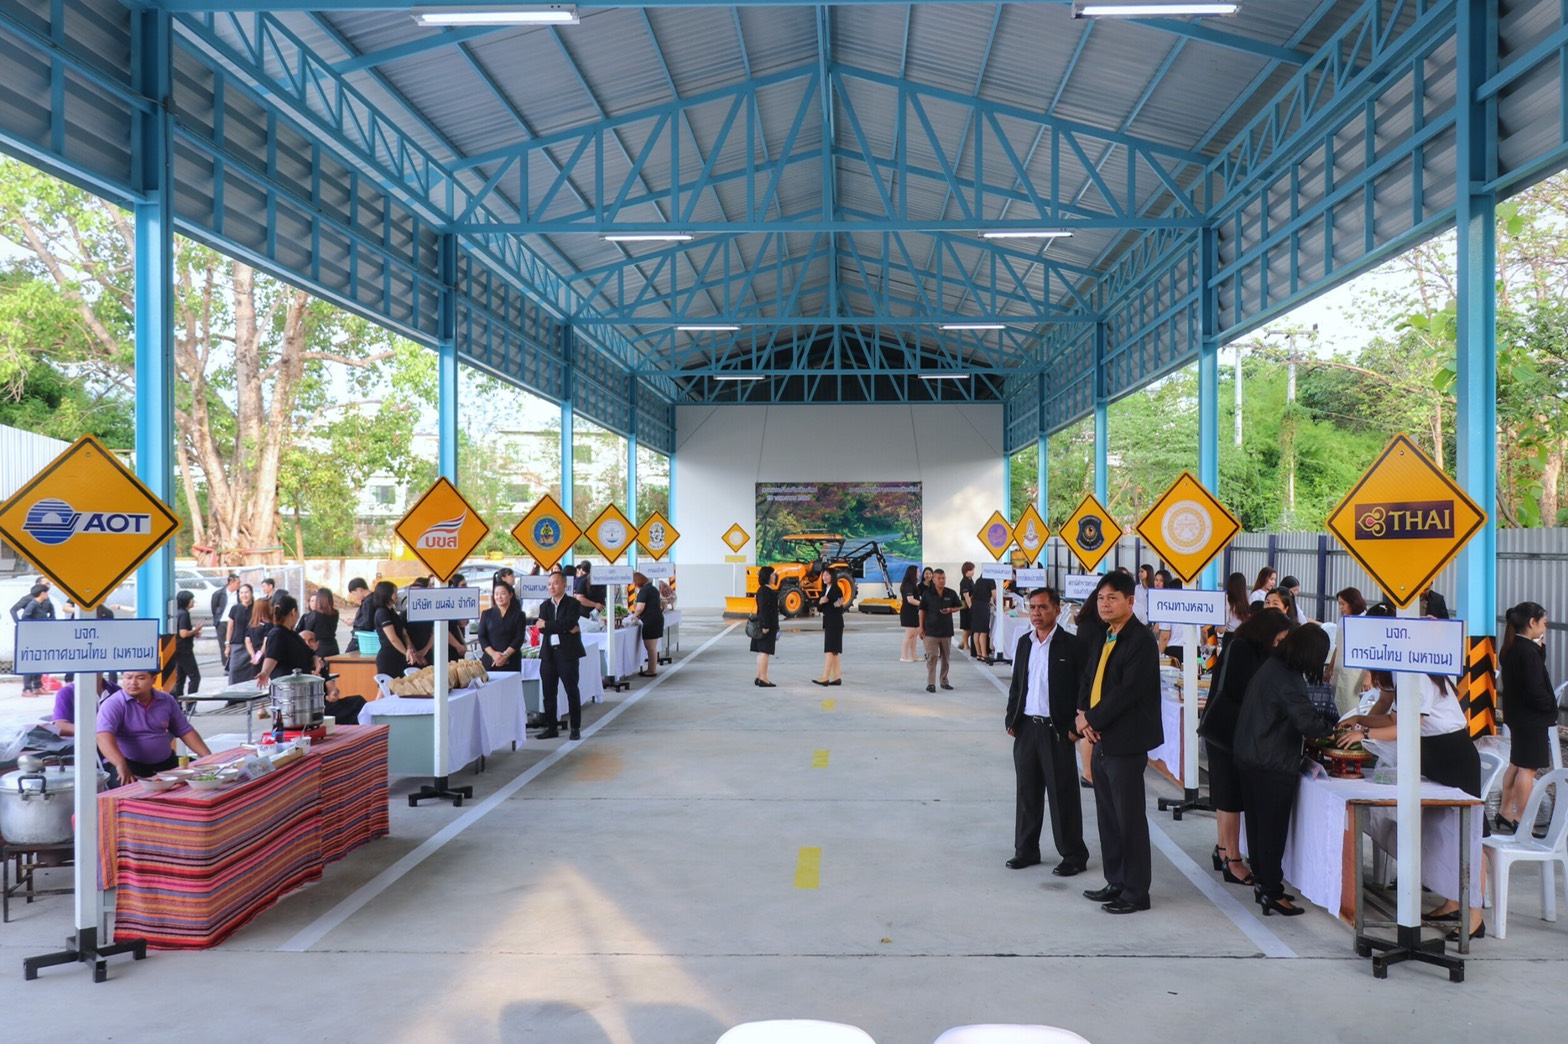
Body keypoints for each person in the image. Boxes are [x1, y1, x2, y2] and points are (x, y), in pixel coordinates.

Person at [1339, 672, 1487, 939]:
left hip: (1453, 755)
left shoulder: (1417, 674)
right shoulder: (1402, 673)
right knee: (1441, 831)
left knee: (1468, 833)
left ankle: (1474, 916)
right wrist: (1361, 719)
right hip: (1433, 754)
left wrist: (1365, 732)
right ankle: (1453, 901)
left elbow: (1408, 726)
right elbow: (1394, 720)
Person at [1074, 571, 1162, 914]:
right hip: (1100, 738)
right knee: (1108, 817)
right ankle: (1116, 880)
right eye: (1100, 598)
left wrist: (1092, 719)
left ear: (1130, 601)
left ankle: (1136, 892)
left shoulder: (1140, 640)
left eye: (1112, 598)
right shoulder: (1106, 634)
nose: (1105, 604)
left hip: (1125, 741)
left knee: (1129, 820)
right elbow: (1090, 677)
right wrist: (1083, 714)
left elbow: (1127, 692)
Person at [1232, 626, 1335, 916]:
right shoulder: (1288, 678)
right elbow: (1307, 722)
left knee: (1257, 826)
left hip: (1250, 756)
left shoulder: (1272, 666)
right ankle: (1272, 892)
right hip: (1271, 762)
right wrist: (1332, 730)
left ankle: (1263, 883)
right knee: (1272, 831)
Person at [1198, 607, 1294, 890]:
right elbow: (1237, 692)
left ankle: (1222, 850)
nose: (1279, 644)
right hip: (1227, 731)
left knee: (1226, 794)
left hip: (1233, 731)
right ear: (1266, 632)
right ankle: (1233, 860)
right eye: (1279, 638)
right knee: (1230, 797)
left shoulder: (1253, 649)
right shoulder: (1240, 648)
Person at [1005, 586, 1090, 876]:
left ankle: (1073, 855)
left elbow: (1084, 689)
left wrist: (1075, 729)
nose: (1037, 613)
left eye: (1043, 607)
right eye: (1032, 607)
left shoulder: (1072, 645)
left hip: (1057, 731)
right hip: (1027, 728)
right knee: (1027, 793)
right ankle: (1026, 850)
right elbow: (1018, 684)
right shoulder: (1024, 642)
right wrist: (1011, 719)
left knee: (1062, 795)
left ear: (1057, 609)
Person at [1496, 601, 1554, 834]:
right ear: (1532, 622)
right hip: (1532, 719)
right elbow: (1534, 687)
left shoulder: (1512, 647)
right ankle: (1523, 820)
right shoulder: (1528, 652)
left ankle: (1505, 811)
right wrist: (1549, 705)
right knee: (1528, 770)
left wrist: (1540, 650)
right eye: (1544, 623)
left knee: (1516, 763)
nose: (1545, 627)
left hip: (1517, 716)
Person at [96, 669, 211, 786]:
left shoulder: (166, 700)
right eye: (128, 677)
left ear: (154, 679)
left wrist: (208, 757)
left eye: (140, 678)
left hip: (166, 763)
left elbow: (185, 731)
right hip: (128, 765)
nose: (133, 683)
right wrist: (120, 764)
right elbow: (103, 736)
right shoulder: (113, 703)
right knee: (130, 791)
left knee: (204, 777)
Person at [537, 570, 586, 739]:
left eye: (556, 583)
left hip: (567, 654)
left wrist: (549, 624)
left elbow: (569, 622)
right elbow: (541, 628)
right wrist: (562, 627)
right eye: (549, 584)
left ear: (565, 585)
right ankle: (551, 727)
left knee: (571, 690)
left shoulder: (573, 603)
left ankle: (575, 728)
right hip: (549, 654)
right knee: (548, 693)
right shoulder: (545, 606)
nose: (552, 587)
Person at [299, 628, 367, 726]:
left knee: (358, 701)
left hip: (326, 703)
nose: (307, 644)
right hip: (309, 708)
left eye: (311, 640)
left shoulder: (320, 663)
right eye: (303, 641)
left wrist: (334, 693)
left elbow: (331, 686)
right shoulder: (298, 664)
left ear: (317, 644)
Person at [256, 594, 319, 688]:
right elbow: (271, 656)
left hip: (299, 686)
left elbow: (309, 652)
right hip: (287, 688)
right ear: (293, 612)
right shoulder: (277, 634)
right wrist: (265, 672)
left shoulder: (293, 634)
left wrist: (316, 660)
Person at [919, 569, 962, 693]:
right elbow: (922, 610)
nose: (941, 580)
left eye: (943, 578)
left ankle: (944, 681)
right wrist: (921, 628)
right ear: (933, 579)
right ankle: (931, 683)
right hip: (931, 631)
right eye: (939, 578)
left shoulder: (951, 593)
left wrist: (950, 610)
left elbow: (959, 606)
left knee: (946, 658)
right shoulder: (927, 594)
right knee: (932, 657)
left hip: (946, 631)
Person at [1327, 587, 1368, 715]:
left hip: (1354, 675)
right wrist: (1330, 668)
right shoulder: (1342, 620)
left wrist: (1369, 675)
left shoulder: (1366, 621)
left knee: (1350, 707)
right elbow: (1338, 647)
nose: (1341, 608)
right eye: (1339, 604)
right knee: (1336, 706)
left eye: (1343, 604)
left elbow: (1372, 652)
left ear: (1353, 602)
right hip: (1339, 671)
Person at [478, 579, 528, 674]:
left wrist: (505, 655)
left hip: (511, 660)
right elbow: (481, 636)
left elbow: (519, 638)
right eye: (496, 594)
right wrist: (494, 654)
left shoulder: (519, 615)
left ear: (510, 594)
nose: (499, 597)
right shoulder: (486, 614)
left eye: (503, 593)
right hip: (490, 660)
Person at [369, 580, 415, 678]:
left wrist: (409, 649)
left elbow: (404, 634)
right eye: (394, 592)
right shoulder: (382, 613)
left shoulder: (392, 612)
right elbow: (393, 638)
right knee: (387, 686)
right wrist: (406, 653)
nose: (396, 595)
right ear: (386, 594)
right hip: (388, 657)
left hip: (400, 656)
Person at [17, 584, 53, 695]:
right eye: (46, 592)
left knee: (40, 661)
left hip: (41, 636)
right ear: (42, 593)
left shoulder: (42, 604)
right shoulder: (33, 604)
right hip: (33, 637)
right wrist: (34, 626)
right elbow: (25, 617)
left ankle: (38, 685)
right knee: (30, 662)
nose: (47, 594)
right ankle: (27, 688)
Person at [813, 566, 845, 686]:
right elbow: (819, 608)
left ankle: (825, 677)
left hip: (835, 622)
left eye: (827, 575)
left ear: (832, 576)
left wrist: (836, 603)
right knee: (834, 651)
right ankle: (837, 677)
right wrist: (821, 602)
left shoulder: (836, 589)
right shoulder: (825, 590)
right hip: (828, 622)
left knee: (829, 650)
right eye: (823, 575)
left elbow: (840, 605)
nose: (824, 577)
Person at [629, 571, 664, 678]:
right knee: (652, 647)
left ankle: (651, 670)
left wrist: (634, 616)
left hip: (650, 620)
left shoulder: (644, 591)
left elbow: (640, 608)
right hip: (656, 619)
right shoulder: (653, 589)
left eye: (634, 582)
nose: (634, 585)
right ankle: (651, 669)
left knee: (650, 647)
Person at [751, 565, 779, 687]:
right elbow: (764, 609)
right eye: (772, 574)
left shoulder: (765, 590)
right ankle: (763, 677)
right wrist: (766, 625)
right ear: (768, 576)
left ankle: (759, 676)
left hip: (765, 624)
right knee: (764, 651)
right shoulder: (765, 591)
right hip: (766, 625)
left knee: (761, 651)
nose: (775, 576)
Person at [171, 590, 202, 701]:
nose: (193, 601)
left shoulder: (178, 613)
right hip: (184, 650)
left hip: (177, 649)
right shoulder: (184, 614)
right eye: (191, 599)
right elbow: (183, 633)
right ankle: (190, 703)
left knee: (180, 678)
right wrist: (196, 630)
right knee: (195, 677)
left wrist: (193, 633)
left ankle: (178, 703)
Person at [225, 583, 257, 684]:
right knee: (234, 671)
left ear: (251, 593)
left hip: (252, 646)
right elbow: (230, 627)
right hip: (237, 644)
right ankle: (232, 693)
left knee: (251, 673)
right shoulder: (234, 608)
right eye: (241, 593)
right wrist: (227, 645)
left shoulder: (256, 608)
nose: (244, 595)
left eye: (246, 592)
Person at [298, 588, 342, 660]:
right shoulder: (335, 613)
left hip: (319, 647)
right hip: (333, 646)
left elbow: (307, 631)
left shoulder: (314, 614)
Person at [244, 597, 276, 676]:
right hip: (266, 657)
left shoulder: (251, 625)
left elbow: (248, 641)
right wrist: (260, 655)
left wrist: (253, 655)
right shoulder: (268, 625)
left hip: (255, 655)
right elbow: (266, 642)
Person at [971, 570, 996, 664]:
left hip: (975, 606)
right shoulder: (991, 580)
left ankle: (979, 653)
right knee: (983, 631)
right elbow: (995, 595)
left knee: (976, 631)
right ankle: (984, 654)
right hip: (983, 606)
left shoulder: (978, 580)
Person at [898, 566, 921, 663]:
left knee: (914, 634)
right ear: (913, 573)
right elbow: (910, 599)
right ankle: (904, 656)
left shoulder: (913, 584)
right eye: (918, 571)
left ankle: (914, 655)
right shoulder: (908, 584)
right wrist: (923, 604)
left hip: (914, 611)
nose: (919, 573)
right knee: (909, 633)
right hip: (908, 612)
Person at [344, 577, 372, 653]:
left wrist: (354, 622)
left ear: (359, 590)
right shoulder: (370, 600)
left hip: (362, 638)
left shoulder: (368, 602)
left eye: (354, 594)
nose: (355, 597)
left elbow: (368, 623)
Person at [958, 561, 976, 657]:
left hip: (970, 605)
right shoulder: (964, 582)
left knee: (970, 626)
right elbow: (966, 596)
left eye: (973, 570)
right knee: (966, 627)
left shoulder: (970, 580)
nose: (973, 572)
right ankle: (965, 645)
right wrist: (971, 607)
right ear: (966, 571)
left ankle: (963, 642)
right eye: (971, 570)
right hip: (966, 607)